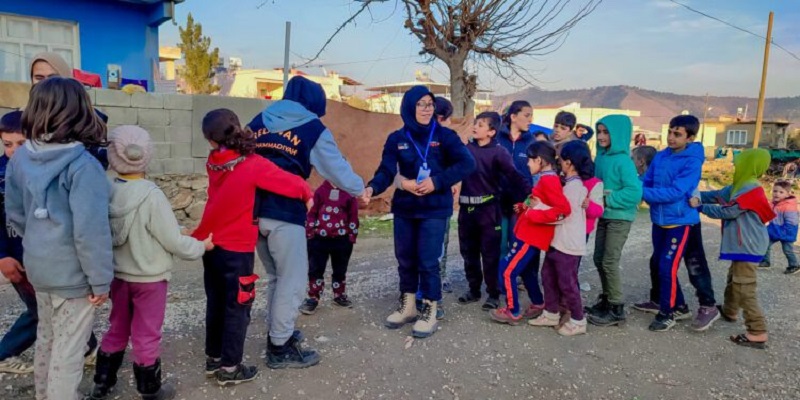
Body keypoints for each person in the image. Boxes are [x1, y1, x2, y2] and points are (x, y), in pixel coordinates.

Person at [5, 77, 113, 400]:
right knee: (69, 351)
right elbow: (90, 232)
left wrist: (39, 240)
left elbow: (15, 213)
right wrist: (100, 280)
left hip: (38, 267)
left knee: (47, 339)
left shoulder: (21, 158)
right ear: (80, 112)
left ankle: (44, 394)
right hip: (74, 276)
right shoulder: (83, 167)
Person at [246, 76, 364, 368]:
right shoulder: (313, 128)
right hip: (285, 212)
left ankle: (279, 331)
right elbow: (335, 169)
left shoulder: (258, 120)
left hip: (252, 210)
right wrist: (361, 190)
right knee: (294, 280)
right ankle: (279, 347)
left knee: (277, 277)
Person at [87, 126, 212, 400]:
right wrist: (200, 246)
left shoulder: (106, 188)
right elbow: (173, 241)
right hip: (150, 280)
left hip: (118, 277)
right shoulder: (151, 194)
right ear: (147, 156)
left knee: (117, 327)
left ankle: (101, 384)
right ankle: (149, 389)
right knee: (146, 333)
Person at [192, 109, 313, 385]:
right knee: (238, 308)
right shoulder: (252, 163)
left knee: (217, 303)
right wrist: (307, 194)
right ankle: (230, 368)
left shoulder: (214, 162)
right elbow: (286, 181)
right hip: (237, 249)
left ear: (210, 140)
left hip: (210, 244)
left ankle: (214, 359)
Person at [366, 85, 475, 338]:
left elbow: (467, 163)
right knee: (405, 258)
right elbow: (385, 171)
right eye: (421, 104)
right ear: (409, 107)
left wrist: (437, 181)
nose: (427, 109)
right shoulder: (397, 138)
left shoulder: (445, 137)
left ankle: (430, 309)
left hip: (434, 209)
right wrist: (375, 187)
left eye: (430, 104)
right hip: (405, 208)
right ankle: (408, 306)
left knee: (428, 260)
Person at [631, 118, 720, 332]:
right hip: (659, 221)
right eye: (670, 132)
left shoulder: (691, 161)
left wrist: (639, 193)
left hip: (680, 222)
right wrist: (634, 186)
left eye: (677, 134)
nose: (671, 137)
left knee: (673, 266)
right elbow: (647, 180)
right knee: (658, 263)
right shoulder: (661, 156)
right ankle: (677, 305)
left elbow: (675, 192)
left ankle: (668, 312)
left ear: (690, 138)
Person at [692, 149, 775, 349]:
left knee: (744, 286)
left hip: (749, 245)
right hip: (744, 244)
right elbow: (716, 195)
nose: (735, 165)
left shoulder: (752, 190)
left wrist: (699, 207)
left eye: (739, 162)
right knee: (734, 278)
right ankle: (729, 311)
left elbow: (729, 211)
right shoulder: (740, 186)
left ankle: (757, 331)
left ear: (749, 165)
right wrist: (694, 194)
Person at [490, 141, 570, 325]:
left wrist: (534, 213)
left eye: (530, 160)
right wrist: (524, 206)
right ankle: (538, 302)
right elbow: (538, 198)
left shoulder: (550, 180)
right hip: (528, 234)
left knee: (507, 271)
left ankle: (512, 311)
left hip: (530, 236)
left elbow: (563, 210)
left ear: (540, 160)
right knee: (526, 271)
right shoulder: (546, 178)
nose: (527, 164)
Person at [456, 112, 527, 311]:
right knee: (468, 252)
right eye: (475, 123)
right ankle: (473, 290)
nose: (475, 126)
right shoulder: (466, 150)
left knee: (490, 254)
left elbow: (514, 176)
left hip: (489, 211)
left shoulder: (499, 152)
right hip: (466, 211)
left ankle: (493, 293)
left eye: (481, 124)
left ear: (491, 131)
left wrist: (530, 197)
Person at [586, 115, 642, 327]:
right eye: (599, 131)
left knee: (609, 261)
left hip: (619, 218)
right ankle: (607, 300)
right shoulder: (601, 158)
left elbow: (634, 192)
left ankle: (617, 308)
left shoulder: (623, 161)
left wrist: (607, 197)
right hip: (604, 216)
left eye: (606, 132)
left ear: (617, 134)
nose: (601, 136)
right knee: (599, 259)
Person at [528, 140, 589, 335]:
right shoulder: (568, 185)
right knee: (548, 277)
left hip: (568, 244)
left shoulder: (575, 188)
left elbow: (562, 214)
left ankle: (578, 319)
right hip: (558, 242)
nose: (558, 163)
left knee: (567, 283)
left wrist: (537, 208)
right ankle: (551, 312)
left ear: (569, 163)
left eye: (561, 160)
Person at [29, 52, 108, 170]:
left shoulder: (90, 118)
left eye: (52, 77)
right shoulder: (23, 116)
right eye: (39, 78)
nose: (46, 83)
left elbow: (98, 163)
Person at [0, 111, 33, 375]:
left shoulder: (40, 169)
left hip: (42, 255)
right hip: (16, 257)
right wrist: (2, 256)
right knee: (39, 309)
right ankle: (4, 353)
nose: (13, 151)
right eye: (7, 144)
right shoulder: (0, 175)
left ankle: (87, 347)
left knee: (54, 303)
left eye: (21, 143)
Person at [299, 180, 360, 314]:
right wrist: (309, 232)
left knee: (340, 269)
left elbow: (353, 216)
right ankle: (313, 297)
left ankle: (339, 294)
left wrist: (351, 237)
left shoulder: (349, 193)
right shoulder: (321, 191)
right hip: (319, 240)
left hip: (342, 240)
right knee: (315, 269)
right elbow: (312, 213)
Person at [496, 101, 535, 258]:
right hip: (496, 200)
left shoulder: (531, 142)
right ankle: (498, 281)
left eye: (531, 116)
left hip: (519, 203)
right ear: (513, 116)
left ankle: (511, 279)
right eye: (526, 115)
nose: (530, 120)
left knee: (516, 244)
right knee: (499, 244)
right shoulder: (496, 137)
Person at [761, 180, 799, 274]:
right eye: (775, 191)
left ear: (787, 194)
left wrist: (784, 232)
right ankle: (765, 262)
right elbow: (767, 213)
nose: (777, 194)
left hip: (786, 231)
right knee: (765, 244)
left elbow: (792, 222)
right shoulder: (773, 203)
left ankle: (794, 265)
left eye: (781, 192)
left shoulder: (789, 206)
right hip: (774, 229)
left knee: (787, 250)